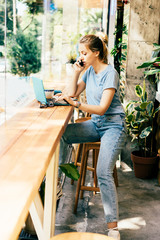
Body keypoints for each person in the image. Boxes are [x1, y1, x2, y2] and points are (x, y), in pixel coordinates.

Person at [57, 32, 126, 240]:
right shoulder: (88, 72)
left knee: (103, 171)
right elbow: (71, 94)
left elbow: (103, 108)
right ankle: (58, 187)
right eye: (80, 53)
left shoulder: (110, 73)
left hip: (113, 126)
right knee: (63, 135)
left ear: (96, 53)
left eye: (84, 53)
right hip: (96, 124)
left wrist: (76, 104)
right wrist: (76, 73)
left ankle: (113, 228)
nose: (81, 57)